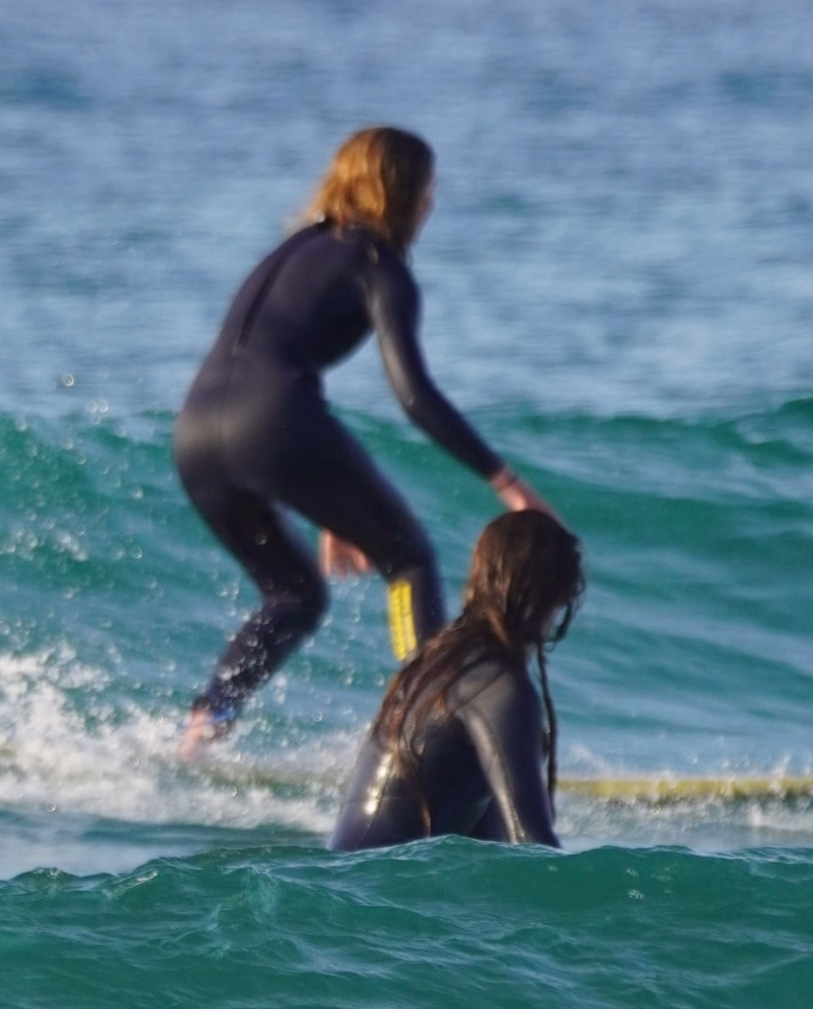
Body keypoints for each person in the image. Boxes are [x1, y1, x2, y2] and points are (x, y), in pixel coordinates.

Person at [174, 126, 550, 755]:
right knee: (409, 560)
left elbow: (268, 364)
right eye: (427, 189)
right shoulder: (378, 266)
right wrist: (507, 483)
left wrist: (326, 500)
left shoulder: (294, 250)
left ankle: (204, 725)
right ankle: (423, 727)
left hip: (193, 432)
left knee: (293, 595)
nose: (432, 203)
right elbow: (415, 396)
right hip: (275, 422)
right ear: (401, 192)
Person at [330, 510, 583, 851]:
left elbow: (493, 844)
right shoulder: (499, 687)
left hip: (348, 880)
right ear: (555, 595)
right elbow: (532, 843)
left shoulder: (440, 665)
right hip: (375, 887)